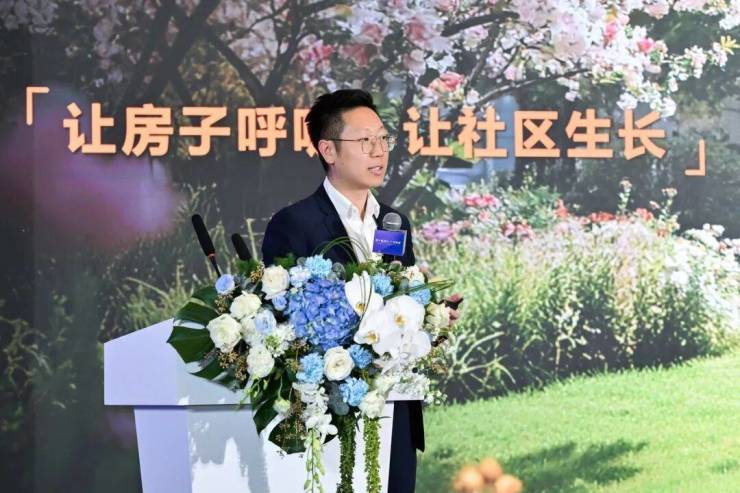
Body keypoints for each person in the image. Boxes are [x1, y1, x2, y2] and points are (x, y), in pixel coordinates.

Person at [261, 88, 421, 493]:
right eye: (364, 140)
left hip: (396, 410)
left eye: (383, 138)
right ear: (328, 150)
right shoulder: (295, 223)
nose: (379, 150)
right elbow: (287, 322)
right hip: (331, 416)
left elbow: (405, 298)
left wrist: (430, 313)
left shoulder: (394, 223)